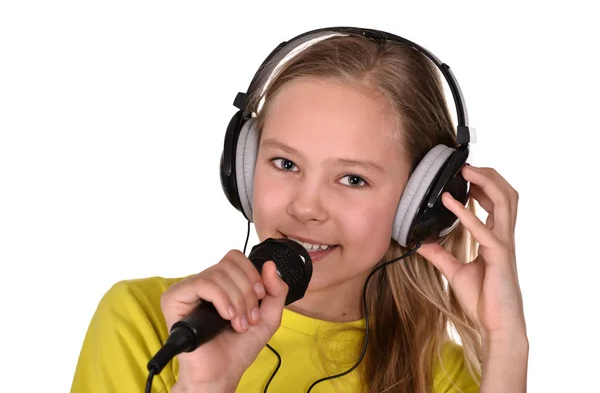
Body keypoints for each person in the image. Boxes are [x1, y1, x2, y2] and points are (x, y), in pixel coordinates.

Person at [71, 27, 528, 393]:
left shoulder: (447, 378)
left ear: (421, 204)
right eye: (285, 163)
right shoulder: (153, 324)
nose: (306, 207)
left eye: (353, 178)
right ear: (244, 168)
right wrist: (204, 386)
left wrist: (508, 343)